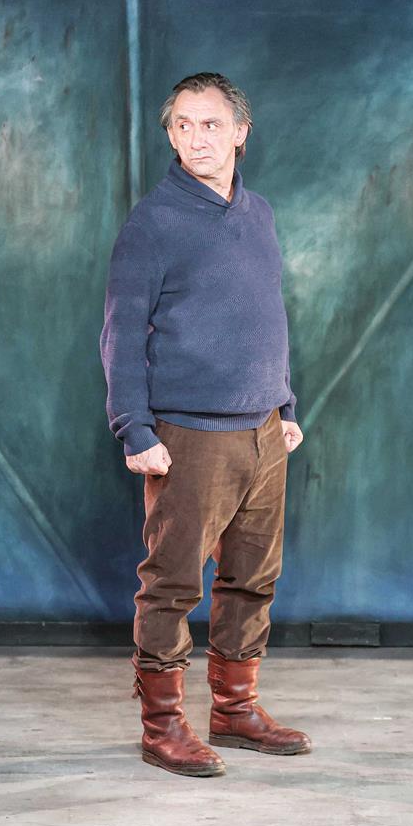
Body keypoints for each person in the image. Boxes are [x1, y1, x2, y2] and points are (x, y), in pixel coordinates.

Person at [100, 72, 311, 777]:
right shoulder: (152, 224)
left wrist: (285, 406)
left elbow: (269, 318)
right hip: (188, 435)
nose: (197, 138)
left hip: (264, 433)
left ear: (241, 133)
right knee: (172, 583)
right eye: (183, 126)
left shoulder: (259, 214)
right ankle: (162, 726)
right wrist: (135, 429)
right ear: (170, 135)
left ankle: (235, 709)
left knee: (252, 578)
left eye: (211, 124)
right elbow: (121, 336)